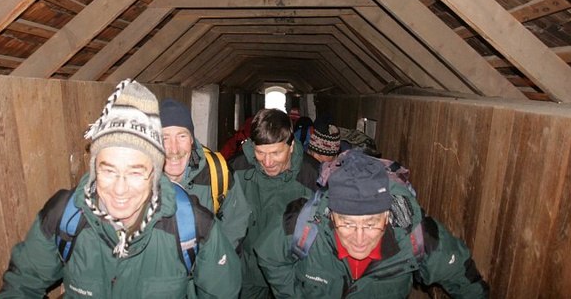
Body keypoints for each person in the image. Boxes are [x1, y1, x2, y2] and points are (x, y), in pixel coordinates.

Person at [0, 80, 241, 298]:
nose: (120, 189)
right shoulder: (66, 217)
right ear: (94, 168)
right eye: (109, 171)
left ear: (155, 173)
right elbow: (22, 284)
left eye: (135, 172)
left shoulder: (193, 225)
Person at [256, 150, 489, 298]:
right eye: (347, 224)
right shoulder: (303, 226)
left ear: (387, 216)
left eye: (371, 224)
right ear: (332, 216)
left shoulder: (417, 237)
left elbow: (464, 280)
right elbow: (269, 256)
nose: (359, 239)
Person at [228, 108, 320, 298]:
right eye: (260, 153)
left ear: (291, 145)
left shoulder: (313, 175)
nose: (268, 162)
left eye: (276, 153)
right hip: (247, 275)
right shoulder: (236, 169)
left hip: (293, 275)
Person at [160, 98, 251, 248]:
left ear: (192, 140)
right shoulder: (137, 178)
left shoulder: (217, 173)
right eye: (164, 138)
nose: (174, 149)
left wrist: (212, 259)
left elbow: (236, 224)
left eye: (182, 136)